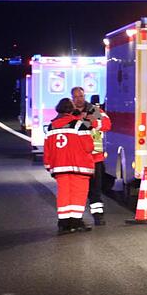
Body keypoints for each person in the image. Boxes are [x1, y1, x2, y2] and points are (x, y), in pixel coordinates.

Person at [43, 98, 95, 234]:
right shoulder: (79, 125)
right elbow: (89, 147)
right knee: (78, 194)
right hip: (79, 166)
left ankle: (63, 223)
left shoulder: (51, 127)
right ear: (72, 110)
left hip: (60, 167)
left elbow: (47, 148)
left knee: (63, 194)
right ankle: (76, 222)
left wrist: (48, 164)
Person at [71, 87, 111, 226]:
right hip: (77, 159)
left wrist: (91, 122)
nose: (79, 99)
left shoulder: (94, 110)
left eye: (81, 96)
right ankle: (76, 219)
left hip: (95, 158)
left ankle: (98, 216)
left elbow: (107, 124)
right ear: (72, 98)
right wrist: (85, 121)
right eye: (76, 97)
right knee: (78, 191)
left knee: (96, 190)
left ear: (84, 96)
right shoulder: (69, 112)